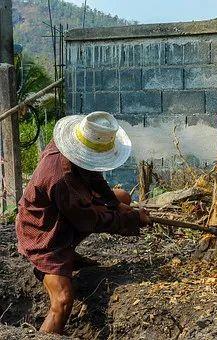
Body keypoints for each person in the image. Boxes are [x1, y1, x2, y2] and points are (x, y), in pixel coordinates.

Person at [15, 111, 151, 334]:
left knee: (123, 197)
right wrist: (134, 219)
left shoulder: (69, 146)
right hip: (44, 234)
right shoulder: (63, 180)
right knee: (63, 301)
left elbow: (94, 175)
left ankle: (71, 255)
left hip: (64, 211)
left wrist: (116, 205)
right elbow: (90, 221)